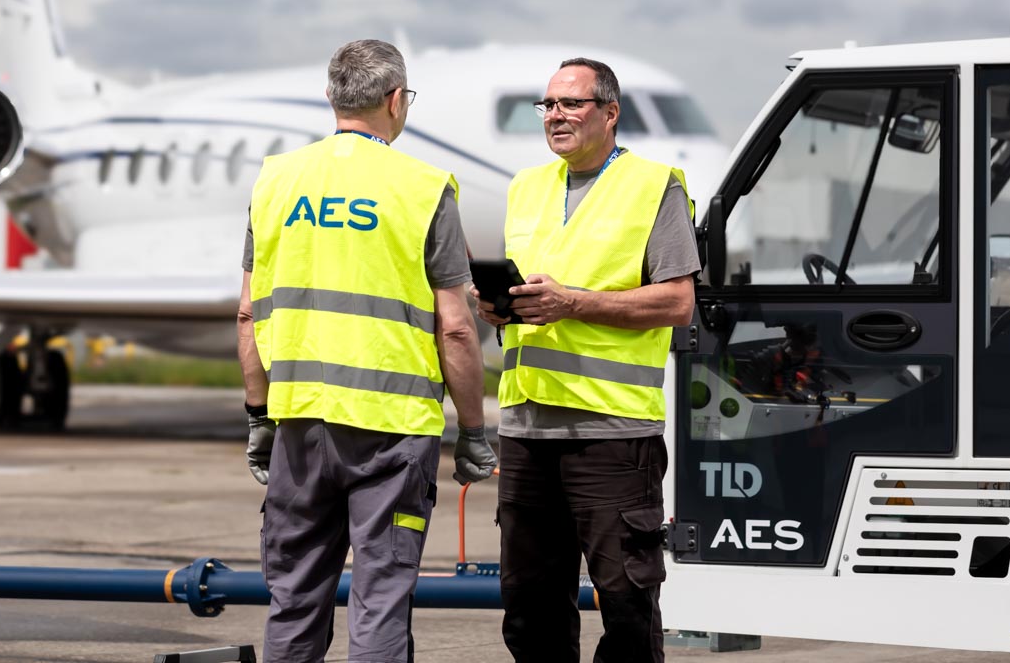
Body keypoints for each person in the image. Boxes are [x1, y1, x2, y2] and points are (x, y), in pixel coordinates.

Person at [237, 38, 497, 663]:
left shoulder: (276, 180)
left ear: (331, 97)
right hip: (391, 433)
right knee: (380, 600)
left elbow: (248, 313)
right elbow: (457, 328)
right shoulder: (425, 187)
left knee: (294, 598)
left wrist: (258, 417)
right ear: (396, 101)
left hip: (300, 425)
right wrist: (472, 430)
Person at [474, 56, 698, 663]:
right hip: (525, 427)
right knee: (529, 607)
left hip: (611, 431)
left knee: (626, 602)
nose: (555, 116)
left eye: (570, 103)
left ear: (609, 112)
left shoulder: (657, 185)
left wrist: (570, 302)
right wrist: (504, 308)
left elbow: (679, 302)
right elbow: (534, 294)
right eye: (548, 105)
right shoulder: (525, 187)